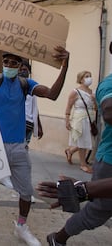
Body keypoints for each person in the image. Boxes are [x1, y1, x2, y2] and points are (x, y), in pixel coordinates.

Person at [0, 46, 69, 245]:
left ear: (20, 66)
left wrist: (65, 66)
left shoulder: (25, 84)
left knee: (26, 192)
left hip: (19, 147)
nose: (9, 66)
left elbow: (52, 94)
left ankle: (21, 226)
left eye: (14, 63)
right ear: (2, 64)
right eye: (6, 62)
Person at [41, 72, 112, 246]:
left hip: (88, 124)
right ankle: (58, 238)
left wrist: (86, 189)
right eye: (86, 75)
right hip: (109, 158)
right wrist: (86, 190)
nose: (89, 77)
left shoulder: (90, 91)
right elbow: (109, 112)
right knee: (99, 210)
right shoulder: (108, 84)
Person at [64, 71, 96, 173]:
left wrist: (94, 100)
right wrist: (67, 121)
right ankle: (83, 164)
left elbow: (96, 107)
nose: (89, 78)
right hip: (80, 119)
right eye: (87, 76)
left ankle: (70, 151)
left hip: (90, 119)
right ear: (81, 79)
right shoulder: (75, 92)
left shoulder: (92, 92)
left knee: (87, 141)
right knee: (83, 141)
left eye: (90, 76)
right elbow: (68, 107)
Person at [18, 60, 43, 145]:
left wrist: (39, 125)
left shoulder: (32, 87)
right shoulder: (15, 85)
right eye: (20, 70)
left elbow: (35, 107)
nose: (22, 72)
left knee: (24, 147)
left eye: (24, 70)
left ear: (29, 72)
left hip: (29, 123)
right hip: (18, 123)